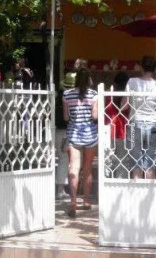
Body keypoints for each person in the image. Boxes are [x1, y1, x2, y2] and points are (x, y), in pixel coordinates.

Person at [62, 67, 97, 217]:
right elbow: (95, 116)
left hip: (73, 134)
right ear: (89, 79)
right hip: (90, 135)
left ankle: (73, 201)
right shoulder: (93, 95)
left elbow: (66, 117)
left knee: (73, 168)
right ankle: (86, 201)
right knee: (88, 169)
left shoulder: (67, 94)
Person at [127, 56, 156, 180]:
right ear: (155, 69)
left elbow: (124, 105)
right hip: (153, 123)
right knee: (150, 161)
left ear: (141, 67)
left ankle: (137, 189)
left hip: (136, 123)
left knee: (136, 160)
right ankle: (150, 191)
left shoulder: (132, 82)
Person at [105, 71, 130, 178]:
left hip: (109, 128)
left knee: (108, 157)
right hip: (123, 129)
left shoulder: (108, 95)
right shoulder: (127, 96)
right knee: (122, 158)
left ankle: (107, 178)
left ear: (114, 82)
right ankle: (121, 180)